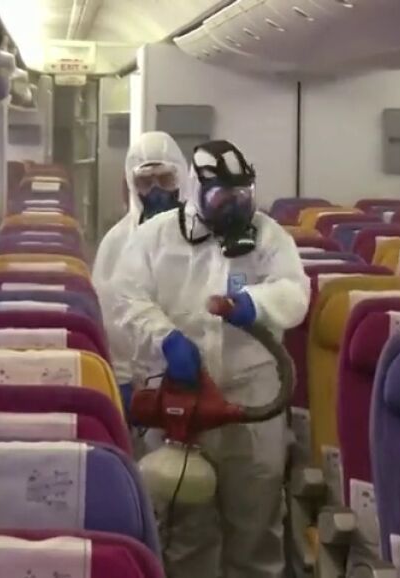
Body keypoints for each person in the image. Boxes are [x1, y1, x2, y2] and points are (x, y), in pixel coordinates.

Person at [109, 139, 310, 578]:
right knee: (187, 530)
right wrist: (166, 339)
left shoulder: (268, 235)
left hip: (252, 399)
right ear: (197, 191)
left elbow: (295, 292)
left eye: (243, 194)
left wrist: (256, 303)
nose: (235, 206)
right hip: (181, 395)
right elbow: (126, 297)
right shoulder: (156, 237)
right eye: (222, 196)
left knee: (256, 524)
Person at [93, 131, 187, 408]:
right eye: (146, 182)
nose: (157, 192)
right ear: (133, 186)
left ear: (181, 178)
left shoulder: (203, 238)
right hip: (140, 378)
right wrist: (122, 378)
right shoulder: (116, 243)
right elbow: (109, 317)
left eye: (165, 179)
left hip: (199, 372)